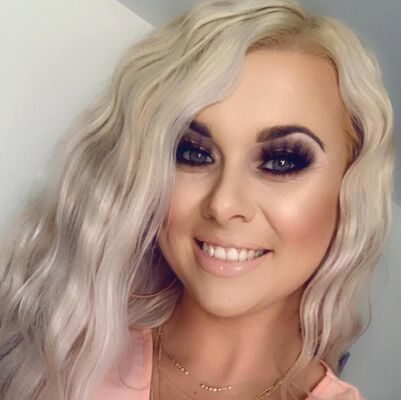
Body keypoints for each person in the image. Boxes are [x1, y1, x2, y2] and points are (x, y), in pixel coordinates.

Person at [0, 0, 395, 399]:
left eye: (281, 161)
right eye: (193, 153)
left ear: (349, 187)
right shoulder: (58, 346)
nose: (223, 204)